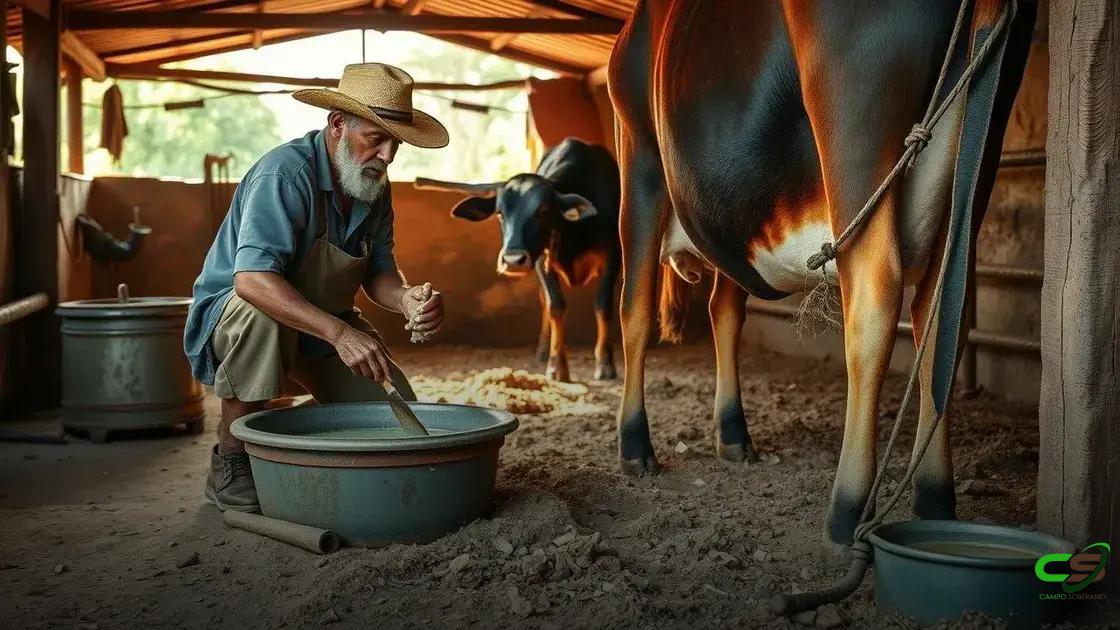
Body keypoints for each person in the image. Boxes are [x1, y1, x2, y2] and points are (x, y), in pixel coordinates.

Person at [183, 63, 448, 512]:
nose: (386, 156)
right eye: (375, 139)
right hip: (243, 319)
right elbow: (252, 281)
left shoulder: (372, 185)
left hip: (322, 322)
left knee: (398, 420)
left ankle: (284, 436)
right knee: (258, 314)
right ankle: (230, 458)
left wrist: (406, 298)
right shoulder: (284, 175)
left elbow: (378, 271)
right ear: (338, 124)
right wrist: (342, 335)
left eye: (395, 144)